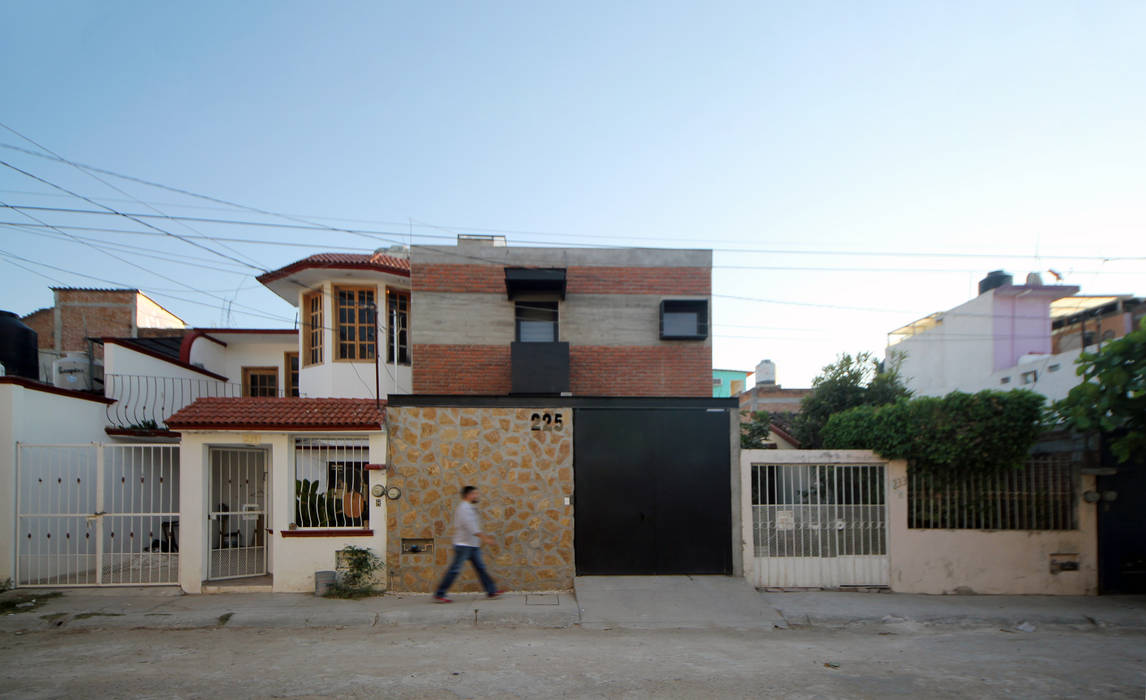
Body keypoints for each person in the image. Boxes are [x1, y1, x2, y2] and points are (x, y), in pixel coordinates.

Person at [433, 485, 502, 603]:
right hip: (463, 545)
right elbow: (472, 527)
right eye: (474, 494)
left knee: (480, 568)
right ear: (468, 495)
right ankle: (440, 594)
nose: (476, 496)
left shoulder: (468, 507)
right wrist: (486, 539)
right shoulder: (464, 508)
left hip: (471, 545)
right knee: (455, 570)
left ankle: (491, 591)